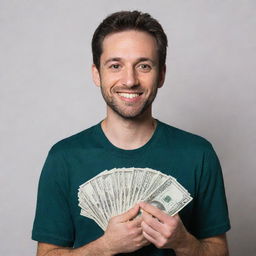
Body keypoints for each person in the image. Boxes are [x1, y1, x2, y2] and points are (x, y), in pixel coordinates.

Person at [32, 10, 231, 256]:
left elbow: (219, 250)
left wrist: (183, 242)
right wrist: (105, 246)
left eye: (144, 66)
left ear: (161, 75)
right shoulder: (63, 158)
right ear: (97, 74)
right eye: (115, 65)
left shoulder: (198, 154)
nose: (130, 80)